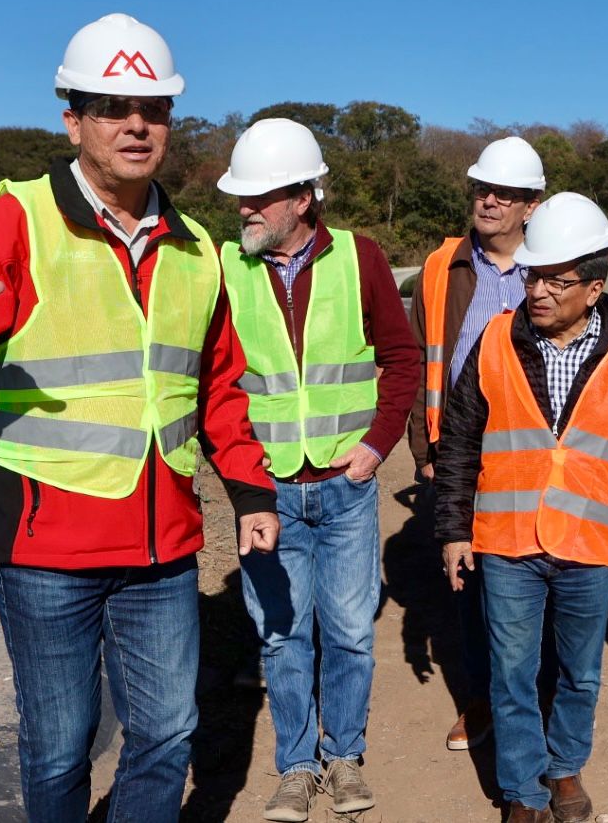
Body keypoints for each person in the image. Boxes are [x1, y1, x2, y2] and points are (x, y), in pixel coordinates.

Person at [0, 13, 279, 823]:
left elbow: (220, 387)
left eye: (153, 109)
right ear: (73, 119)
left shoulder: (197, 247)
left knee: (167, 732)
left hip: (162, 541)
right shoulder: (13, 221)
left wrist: (252, 493)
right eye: (111, 106)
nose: (135, 124)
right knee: (61, 744)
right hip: (43, 542)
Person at [434, 192, 608, 823]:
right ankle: (523, 791)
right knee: (512, 674)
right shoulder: (495, 341)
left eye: (556, 279)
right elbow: (459, 439)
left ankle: (564, 766)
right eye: (534, 275)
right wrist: (453, 529)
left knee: (579, 671)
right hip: (507, 541)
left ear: (594, 288)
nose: (539, 290)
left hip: (590, 544)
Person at [214, 118, 419, 821]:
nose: (244, 207)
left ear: (302, 197)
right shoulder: (223, 268)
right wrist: (241, 487)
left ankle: (344, 757)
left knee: (351, 631)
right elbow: (214, 385)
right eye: (239, 195)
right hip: (267, 492)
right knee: (281, 634)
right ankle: (298, 766)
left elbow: (402, 358)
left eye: (259, 195)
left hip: (345, 488)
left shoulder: (358, 258)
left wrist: (377, 444)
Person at [407, 136, 545, 750]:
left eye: (504, 193)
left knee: (536, 580)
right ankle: (483, 700)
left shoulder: (556, 266)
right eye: (482, 189)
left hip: (538, 459)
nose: (488, 201)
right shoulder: (442, 268)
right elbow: (415, 363)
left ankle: (534, 702)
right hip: (462, 454)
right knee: (470, 586)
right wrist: (426, 452)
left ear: (530, 207)